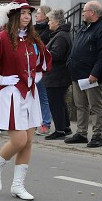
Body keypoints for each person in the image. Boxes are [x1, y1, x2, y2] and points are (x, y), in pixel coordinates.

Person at [0, 0, 51, 200]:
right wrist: (0, 78)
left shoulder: (32, 39)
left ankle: (18, 185)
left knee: (28, 141)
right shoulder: (1, 38)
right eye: (23, 13)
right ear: (13, 16)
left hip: (29, 93)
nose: (27, 17)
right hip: (10, 94)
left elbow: (44, 60)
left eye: (29, 13)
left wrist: (36, 75)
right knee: (19, 140)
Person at [65, 1, 102, 148]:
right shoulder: (85, 27)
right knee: (80, 105)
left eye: (85, 11)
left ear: (92, 12)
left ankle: (97, 134)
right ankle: (81, 132)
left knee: (95, 105)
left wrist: (95, 73)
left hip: (90, 75)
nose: (83, 13)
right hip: (77, 73)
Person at [42, 9, 72, 140]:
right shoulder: (61, 34)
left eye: (50, 21)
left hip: (57, 75)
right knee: (60, 102)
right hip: (58, 75)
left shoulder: (60, 36)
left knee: (55, 103)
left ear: (57, 22)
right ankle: (65, 127)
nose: (48, 23)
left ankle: (60, 129)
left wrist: (43, 53)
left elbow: (56, 54)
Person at [33, 5, 53, 134]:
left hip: (41, 66)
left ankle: (46, 123)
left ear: (45, 15)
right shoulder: (33, 28)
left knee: (43, 96)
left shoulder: (47, 31)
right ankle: (35, 121)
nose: (35, 15)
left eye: (38, 13)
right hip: (31, 65)